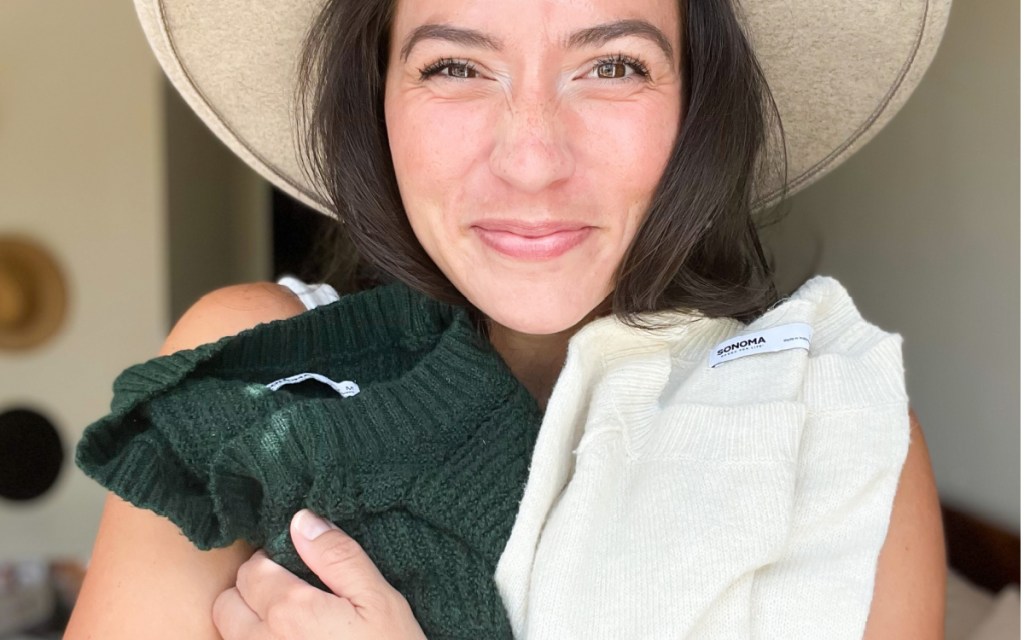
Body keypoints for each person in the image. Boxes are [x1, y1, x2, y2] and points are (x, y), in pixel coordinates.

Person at [65, 0, 950, 637]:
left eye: (613, 65)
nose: (531, 160)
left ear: (697, 106)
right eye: (455, 65)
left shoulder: (837, 426)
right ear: (377, 98)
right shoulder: (251, 375)